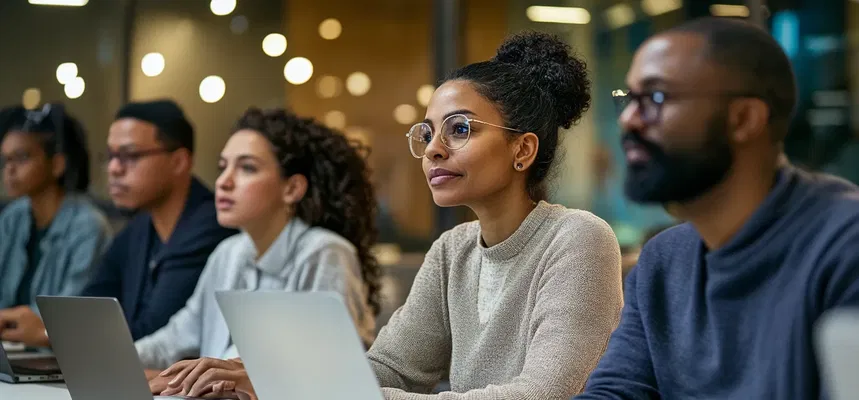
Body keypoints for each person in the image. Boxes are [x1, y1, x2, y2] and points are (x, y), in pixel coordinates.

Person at [156, 31, 624, 400]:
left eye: (459, 129)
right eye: (428, 132)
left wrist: (311, 391)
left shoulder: (579, 238)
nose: (434, 149)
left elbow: (546, 395)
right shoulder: (451, 251)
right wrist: (263, 376)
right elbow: (389, 369)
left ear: (522, 149)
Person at [575, 18, 859, 399]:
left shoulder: (844, 245)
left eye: (656, 98)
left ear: (743, 119)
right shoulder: (662, 261)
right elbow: (616, 391)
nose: (628, 119)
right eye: (629, 98)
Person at [139, 107, 382, 396]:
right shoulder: (227, 253)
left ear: (292, 188)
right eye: (222, 167)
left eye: (247, 168)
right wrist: (111, 359)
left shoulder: (325, 252)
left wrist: (185, 380)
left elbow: (332, 376)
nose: (223, 182)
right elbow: (174, 339)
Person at [0, 100, 238, 347]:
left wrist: (48, 333)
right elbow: (88, 307)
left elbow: (153, 331)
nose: (114, 168)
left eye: (130, 155)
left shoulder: (210, 226)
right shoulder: (140, 225)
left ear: (178, 161)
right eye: (111, 156)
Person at [0, 104, 112, 344]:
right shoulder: (13, 217)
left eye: (22, 157)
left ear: (57, 164)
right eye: (5, 159)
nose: (9, 169)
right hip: (10, 350)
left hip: (58, 359)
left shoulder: (88, 225)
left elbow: (72, 314)